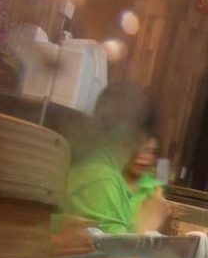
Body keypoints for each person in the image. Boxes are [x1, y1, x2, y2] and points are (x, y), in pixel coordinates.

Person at [65, 83, 156, 233]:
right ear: (139, 136)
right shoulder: (102, 180)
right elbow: (116, 254)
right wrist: (148, 223)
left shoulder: (96, 168)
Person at [122, 136, 170, 233]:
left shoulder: (155, 190)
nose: (145, 157)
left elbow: (153, 234)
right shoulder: (110, 179)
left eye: (151, 151)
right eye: (140, 149)